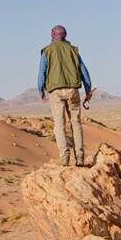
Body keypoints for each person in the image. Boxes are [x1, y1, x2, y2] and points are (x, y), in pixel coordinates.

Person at [37, 24, 94, 166]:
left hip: (55, 92)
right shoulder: (72, 50)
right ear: (65, 35)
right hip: (73, 90)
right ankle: (80, 157)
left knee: (59, 125)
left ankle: (64, 157)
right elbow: (84, 71)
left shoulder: (47, 51)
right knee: (76, 123)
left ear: (52, 35)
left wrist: (41, 90)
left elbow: (41, 73)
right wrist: (88, 90)